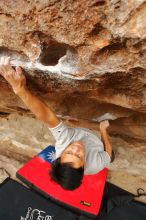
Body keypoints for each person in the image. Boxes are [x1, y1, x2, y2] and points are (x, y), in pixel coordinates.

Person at [0, 56, 114, 190]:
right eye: (78, 156)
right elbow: (107, 153)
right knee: (110, 158)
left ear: (60, 156)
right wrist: (103, 131)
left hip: (86, 137)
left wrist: (20, 90)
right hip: (98, 146)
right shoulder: (95, 166)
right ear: (84, 166)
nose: (76, 148)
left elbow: (47, 116)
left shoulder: (63, 142)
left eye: (69, 152)